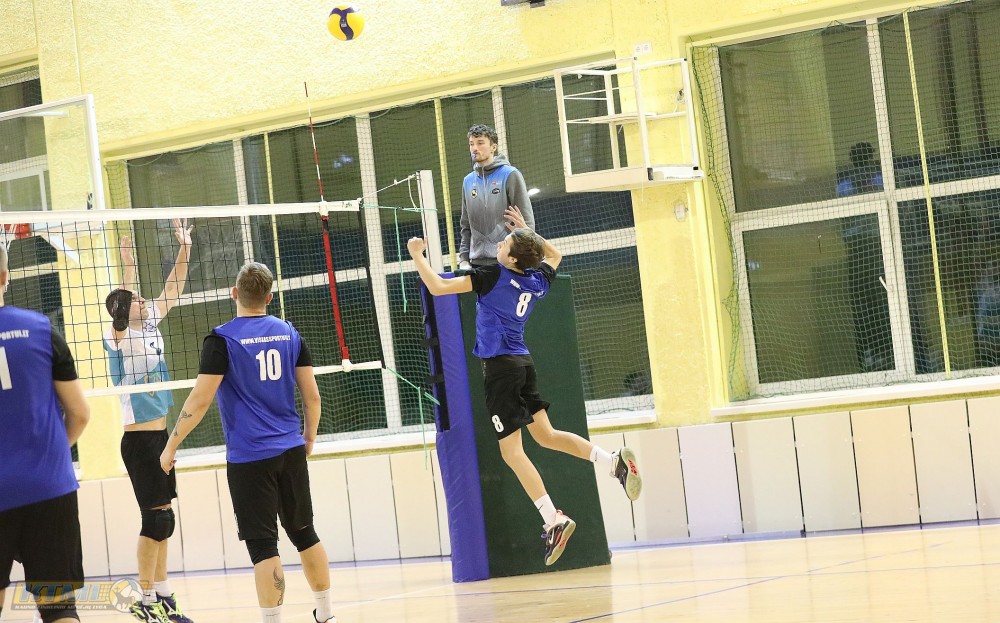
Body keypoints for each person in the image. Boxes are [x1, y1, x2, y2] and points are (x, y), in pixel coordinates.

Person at [410, 206, 641, 566]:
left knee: (512, 453)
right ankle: (613, 462)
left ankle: (553, 519)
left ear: (513, 257)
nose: (499, 244)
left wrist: (417, 256)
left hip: (501, 371)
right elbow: (555, 255)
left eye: (505, 243)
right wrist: (527, 232)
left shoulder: (491, 275)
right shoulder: (536, 281)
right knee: (546, 436)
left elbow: (438, 287)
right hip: (523, 365)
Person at [159, 262, 336, 623]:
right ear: (269, 297)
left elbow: (199, 401)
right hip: (290, 450)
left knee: (264, 546)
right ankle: (326, 613)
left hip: (249, 458)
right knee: (305, 532)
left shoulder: (221, 340)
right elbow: (312, 397)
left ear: (234, 293)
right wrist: (308, 437)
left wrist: (171, 446)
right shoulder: (289, 333)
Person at [102, 219, 194, 623]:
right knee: (155, 519)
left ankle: (164, 596)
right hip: (139, 443)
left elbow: (175, 284)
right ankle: (144, 599)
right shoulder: (116, 337)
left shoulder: (152, 319)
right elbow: (121, 310)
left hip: (161, 438)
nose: (143, 299)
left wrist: (184, 246)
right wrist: (126, 271)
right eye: (135, 298)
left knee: (165, 520)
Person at [0, 241, 92, 623]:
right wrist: (51, 451)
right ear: (5, 277)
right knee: (59, 609)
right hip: (49, 487)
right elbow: (80, 414)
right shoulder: (41, 329)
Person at [459, 123, 535, 270]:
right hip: (476, 264)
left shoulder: (510, 174)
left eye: (480, 143)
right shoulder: (467, 181)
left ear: (493, 147)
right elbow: (465, 225)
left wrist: (522, 258)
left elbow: (526, 222)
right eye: (471, 144)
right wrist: (463, 259)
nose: (475, 148)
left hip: (507, 263)